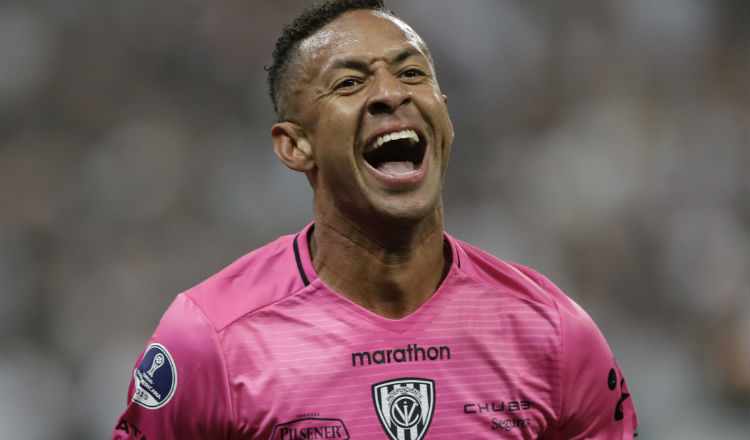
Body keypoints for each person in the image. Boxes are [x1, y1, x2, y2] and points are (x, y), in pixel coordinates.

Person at [112, 0, 638, 438]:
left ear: (446, 118)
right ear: (296, 145)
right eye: (349, 83)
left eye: (412, 73)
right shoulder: (210, 339)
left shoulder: (552, 332)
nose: (391, 94)